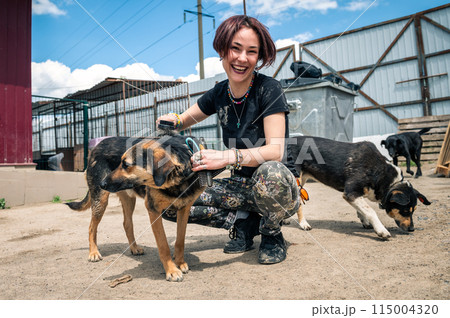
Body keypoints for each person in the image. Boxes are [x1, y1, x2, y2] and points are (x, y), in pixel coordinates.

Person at [157, 15, 300, 264]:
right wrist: (174, 121)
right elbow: (186, 118)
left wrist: (225, 157)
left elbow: (276, 151)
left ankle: (272, 232)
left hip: (276, 187)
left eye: (251, 52)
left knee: (272, 172)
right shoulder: (219, 92)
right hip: (241, 186)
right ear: (223, 50)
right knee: (170, 200)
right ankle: (243, 222)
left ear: (259, 57)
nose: (242, 58)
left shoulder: (269, 89)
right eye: (235, 48)